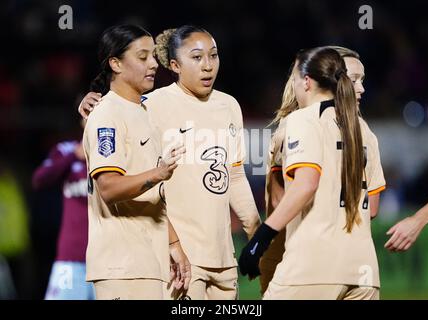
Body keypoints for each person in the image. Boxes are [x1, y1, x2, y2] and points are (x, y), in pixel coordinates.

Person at [79, 25, 261, 300]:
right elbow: (112, 119)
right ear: (174, 65)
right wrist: (89, 103)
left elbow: (234, 176)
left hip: (223, 255)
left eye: (214, 55)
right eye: (197, 57)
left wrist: (255, 231)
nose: (208, 66)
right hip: (178, 258)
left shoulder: (229, 107)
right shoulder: (150, 105)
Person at [239, 46, 386, 300]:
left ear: (306, 81)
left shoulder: (301, 120)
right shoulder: (364, 129)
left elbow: (294, 191)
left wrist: (259, 241)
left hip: (312, 267)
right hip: (365, 272)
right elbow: (371, 209)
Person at [83, 24, 190, 300]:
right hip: (122, 266)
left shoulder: (142, 112)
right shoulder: (108, 115)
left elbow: (149, 197)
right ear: (115, 63)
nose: (153, 64)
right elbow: (109, 188)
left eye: (154, 55)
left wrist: (173, 243)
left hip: (147, 262)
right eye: (143, 57)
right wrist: (158, 173)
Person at [32, 120, 96, 300]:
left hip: (106, 259)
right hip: (71, 258)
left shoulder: (115, 151)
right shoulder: (66, 150)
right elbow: (39, 179)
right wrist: (74, 156)